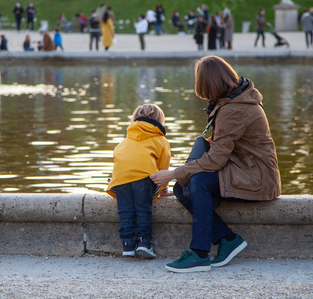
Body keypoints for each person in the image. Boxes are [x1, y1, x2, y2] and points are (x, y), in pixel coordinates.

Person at [150, 55, 281, 273]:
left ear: (208, 83)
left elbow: (216, 160)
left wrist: (173, 173)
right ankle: (228, 240)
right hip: (247, 170)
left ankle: (199, 253)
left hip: (257, 178)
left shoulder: (233, 108)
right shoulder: (236, 99)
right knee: (183, 188)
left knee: (197, 182)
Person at [107, 104, 171, 259]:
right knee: (143, 210)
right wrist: (163, 189)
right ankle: (144, 243)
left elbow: (117, 157)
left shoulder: (127, 139)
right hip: (143, 178)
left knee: (125, 212)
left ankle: (127, 245)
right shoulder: (160, 140)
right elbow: (163, 167)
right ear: (160, 121)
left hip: (120, 178)